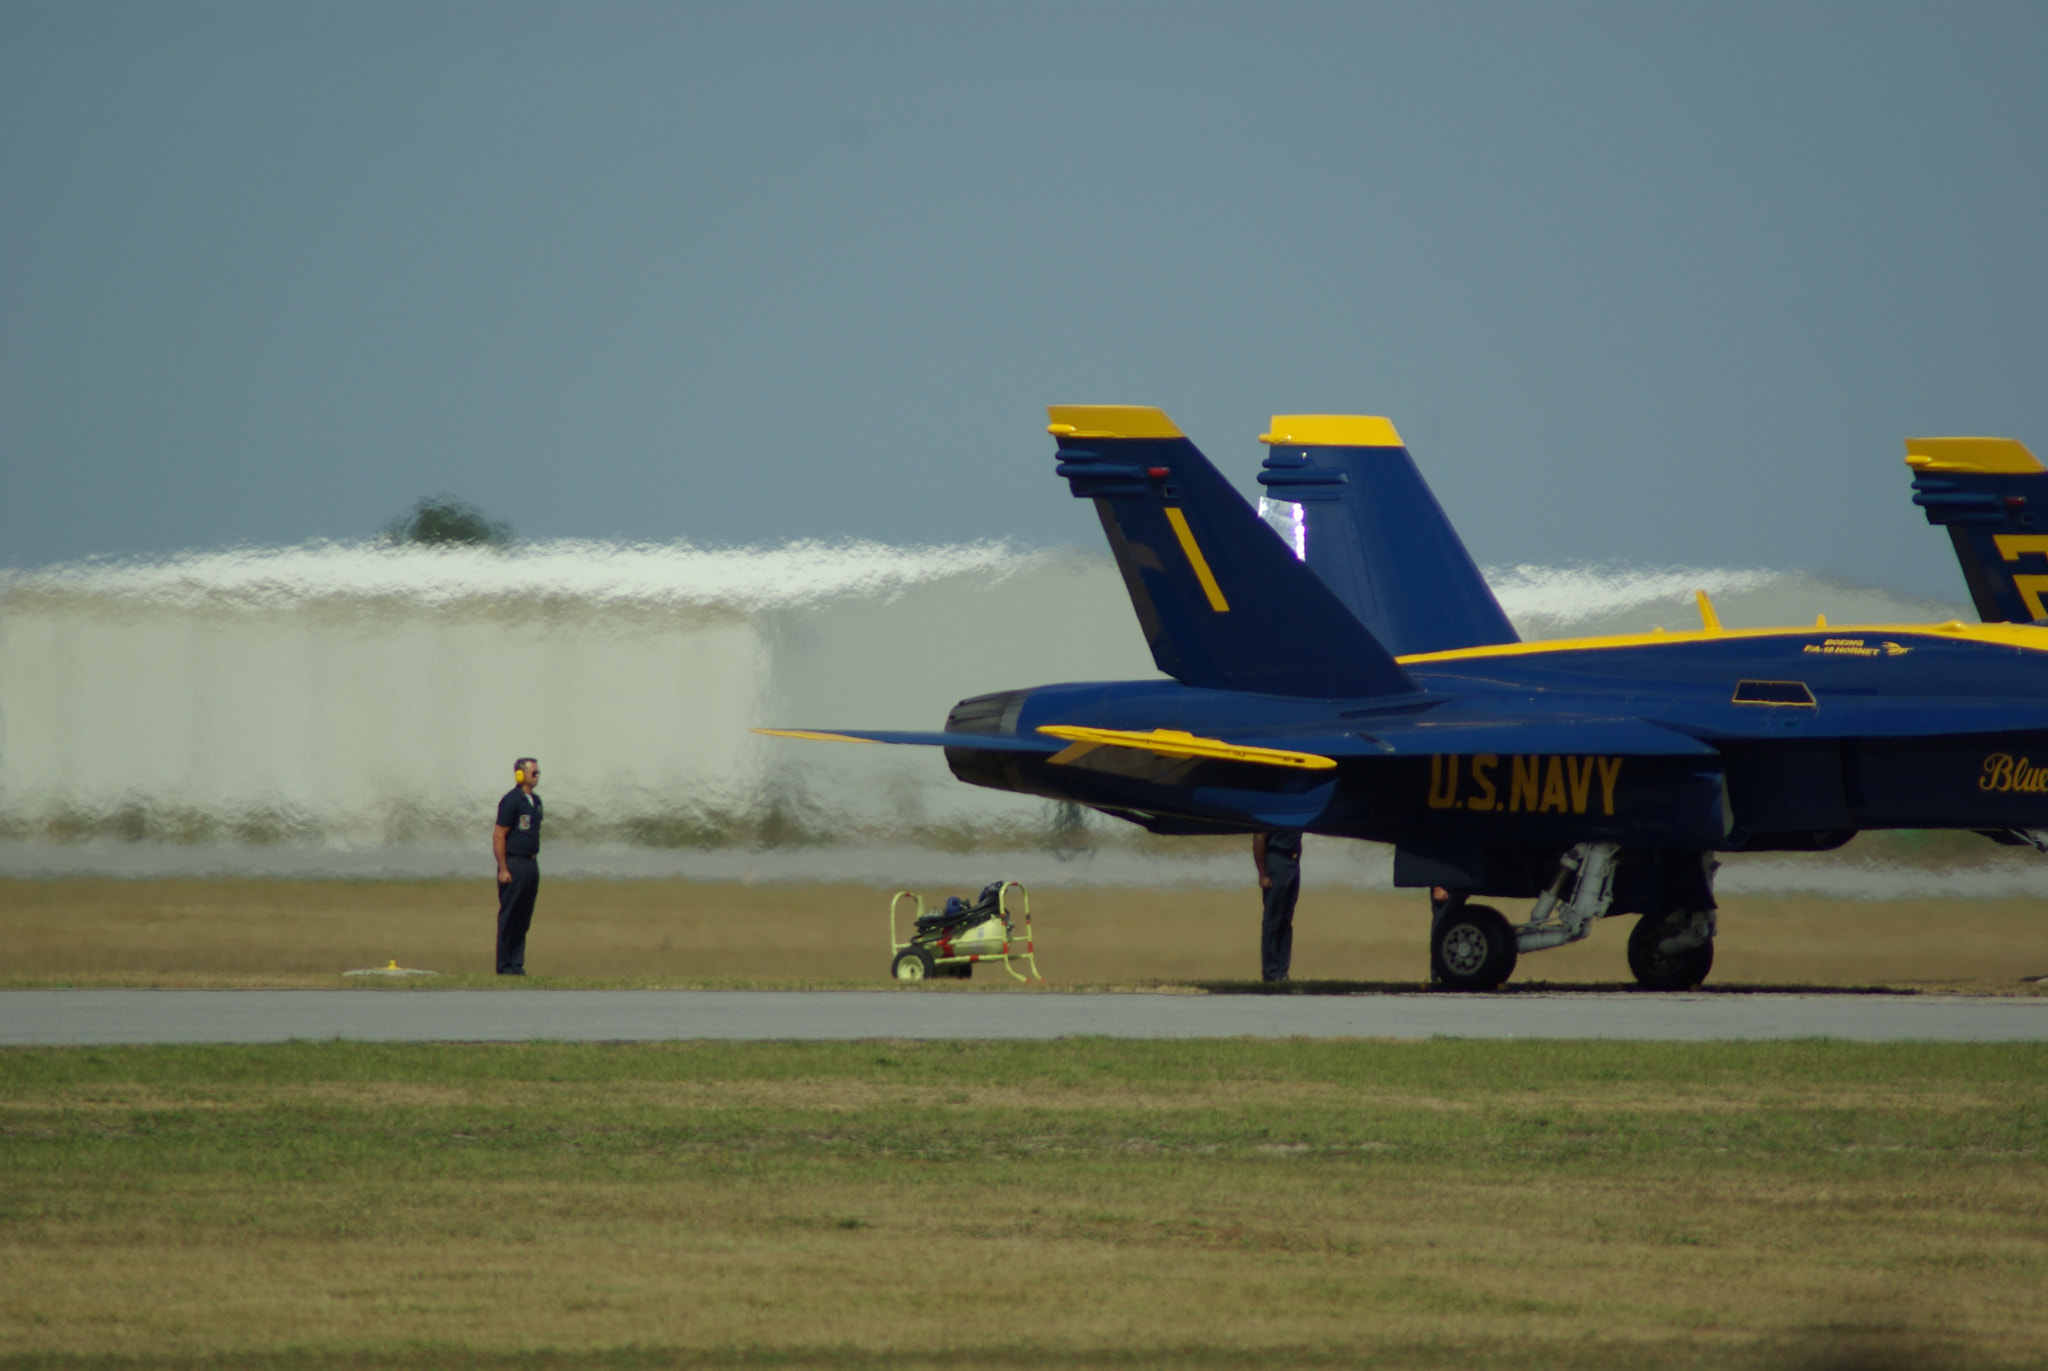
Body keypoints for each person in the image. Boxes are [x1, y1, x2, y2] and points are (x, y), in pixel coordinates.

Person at [493, 757, 544, 976]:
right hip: (514, 862)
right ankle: (504, 965)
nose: (537, 776)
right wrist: (503, 868)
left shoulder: (536, 802)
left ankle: (517, 964)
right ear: (520, 775)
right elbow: (499, 834)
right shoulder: (512, 801)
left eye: (538, 772)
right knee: (510, 915)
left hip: (531, 864)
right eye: (533, 772)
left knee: (524, 916)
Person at [1252, 829, 1303, 982]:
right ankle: (1271, 972)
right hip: (1276, 861)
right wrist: (1263, 874)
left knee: (1285, 920)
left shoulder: (1293, 811)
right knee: (1273, 919)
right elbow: (1259, 839)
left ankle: (1282, 971)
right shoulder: (1271, 810)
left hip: (1292, 862)